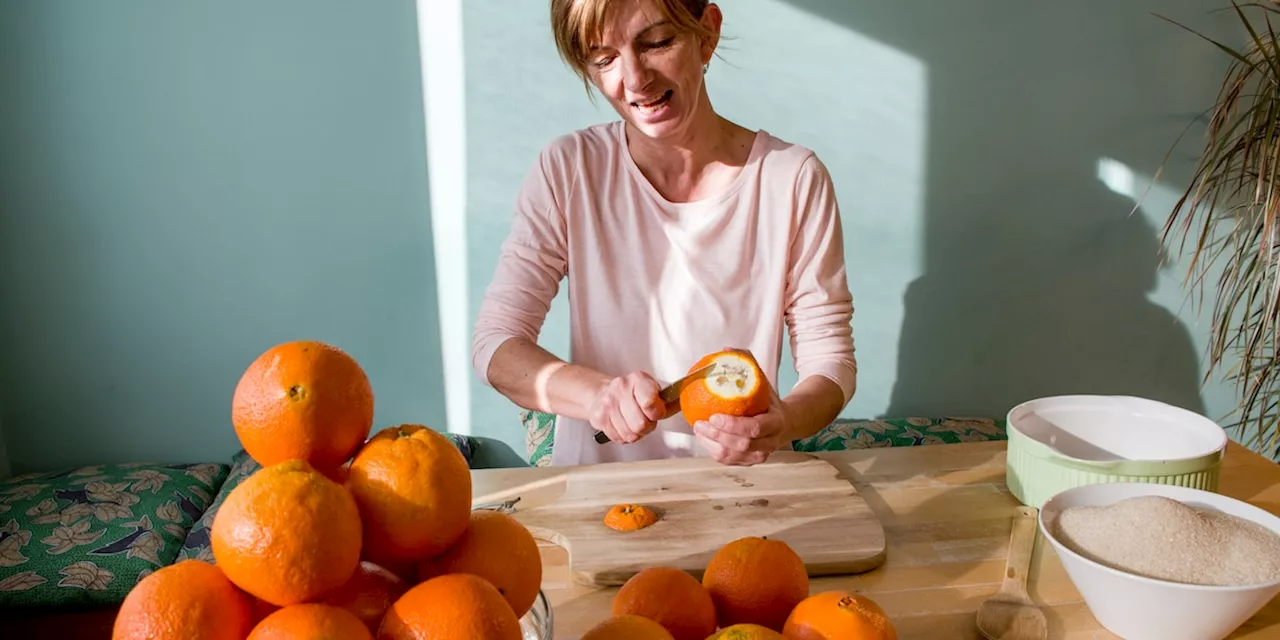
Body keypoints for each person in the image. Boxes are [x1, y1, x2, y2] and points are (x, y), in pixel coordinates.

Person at [471, 0, 856, 467]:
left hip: (748, 493)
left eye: (657, 43)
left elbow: (830, 361)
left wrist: (784, 422)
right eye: (604, 58)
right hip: (602, 500)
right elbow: (496, 345)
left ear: (707, 33)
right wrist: (598, 397)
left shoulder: (792, 178)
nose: (635, 80)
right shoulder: (569, 170)